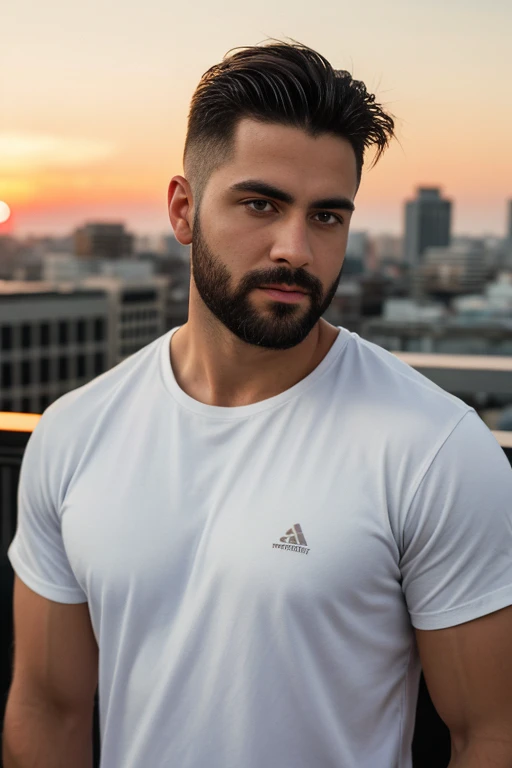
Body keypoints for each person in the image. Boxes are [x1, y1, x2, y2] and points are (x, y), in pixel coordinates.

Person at [4, 40, 512, 768]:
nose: (296, 248)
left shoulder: (431, 449)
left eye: (327, 217)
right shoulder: (76, 432)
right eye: (261, 204)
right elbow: (46, 707)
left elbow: (491, 732)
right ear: (183, 209)